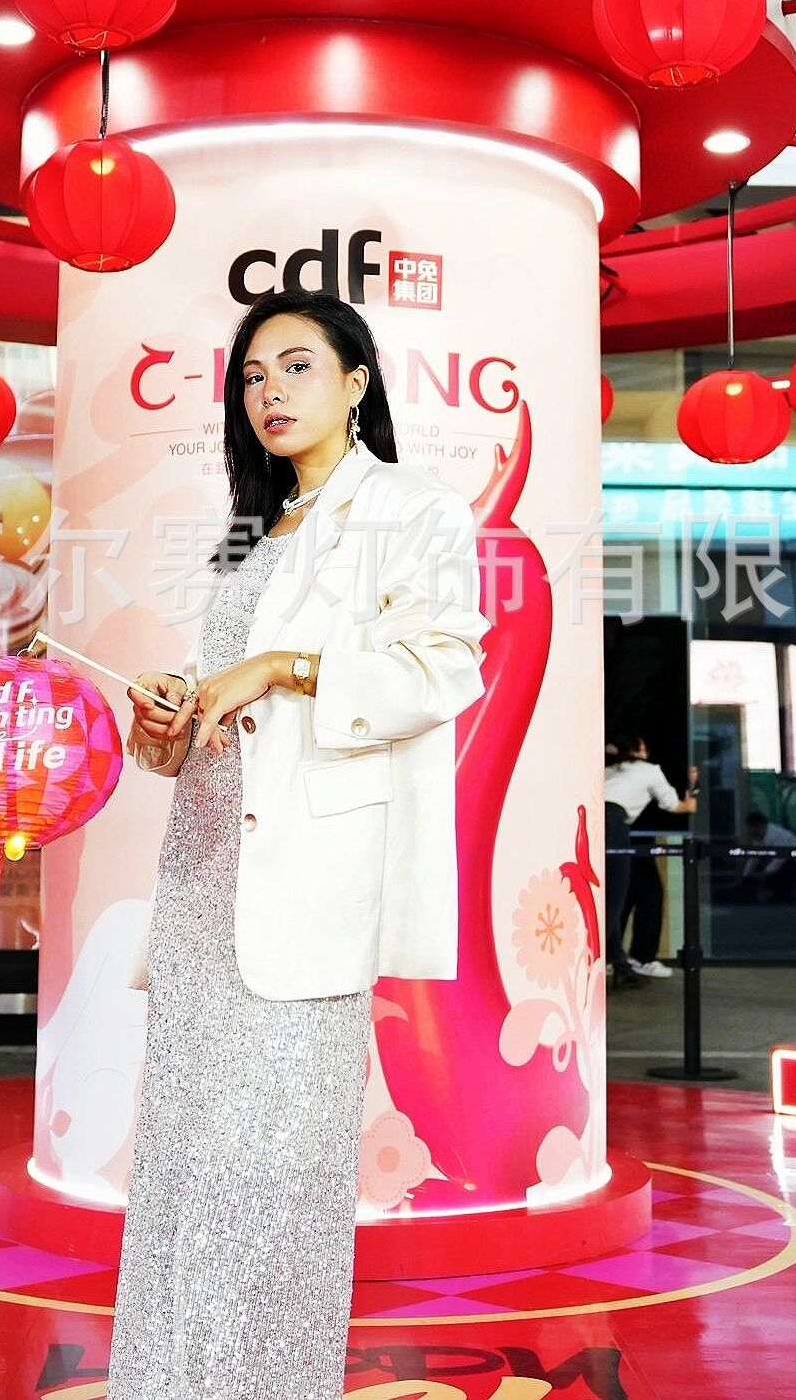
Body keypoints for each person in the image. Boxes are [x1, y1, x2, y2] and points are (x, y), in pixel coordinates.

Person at [110, 287, 490, 1397]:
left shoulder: (412, 508)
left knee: (271, 1192)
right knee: (182, 1180)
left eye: (295, 366)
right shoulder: (249, 532)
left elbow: (441, 669)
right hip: (200, 879)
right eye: (251, 376)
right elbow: (216, 723)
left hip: (308, 891)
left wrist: (280, 667)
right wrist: (168, 720)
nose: (267, 391)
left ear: (356, 381)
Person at [602, 735, 698, 980]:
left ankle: (614, 959)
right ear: (638, 751)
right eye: (645, 749)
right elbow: (677, 806)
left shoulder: (610, 769)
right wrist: (694, 787)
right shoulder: (650, 770)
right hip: (615, 824)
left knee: (608, 894)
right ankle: (609, 958)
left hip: (592, 820)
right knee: (616, 896)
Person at [724, 810, 796, 903]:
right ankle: (779, 895)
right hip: (787, 862)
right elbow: (754, 857)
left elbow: (780, 859)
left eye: (753, 830)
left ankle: (786, 896)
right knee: (766, 872)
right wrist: (746, 876)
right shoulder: (759, 836)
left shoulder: (778, 835)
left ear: (761, 826)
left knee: (776, 870)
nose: (752, 834)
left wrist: (765, 873)